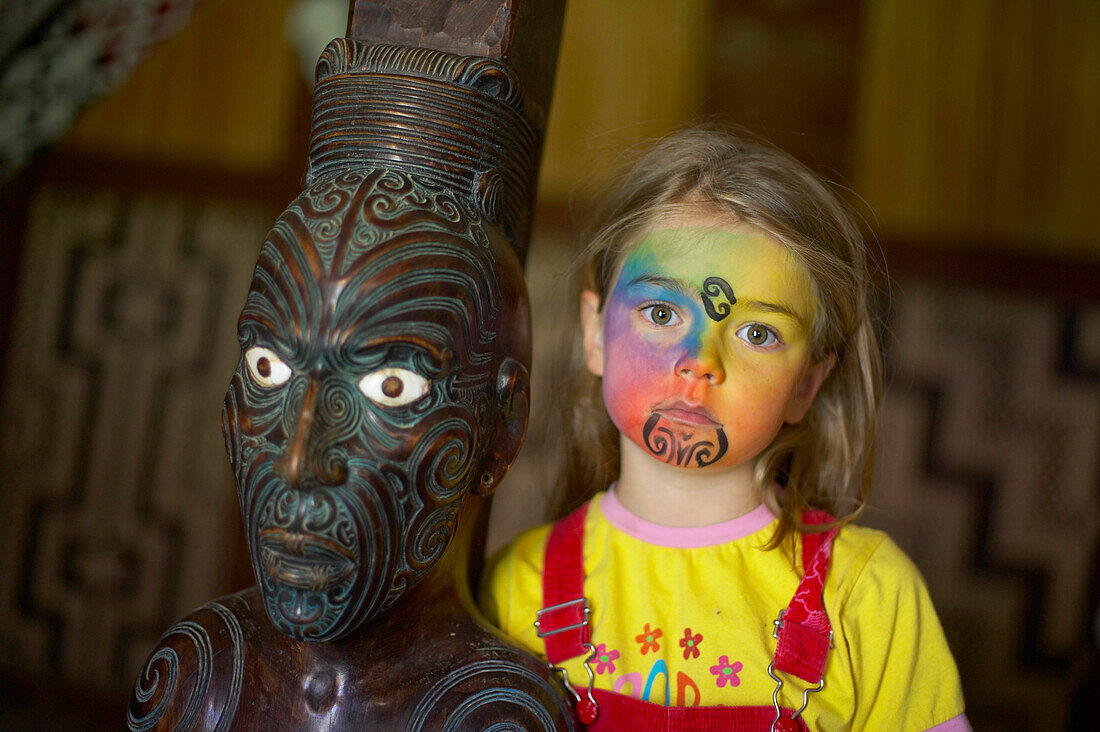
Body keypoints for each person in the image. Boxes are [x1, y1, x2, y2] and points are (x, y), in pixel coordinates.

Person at [480, 127, 969, 730]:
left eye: (757, 334)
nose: (700, 361)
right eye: (660, 313)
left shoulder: (868, 595)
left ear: (806, 384)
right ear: (594, 330)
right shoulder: (512, 590)